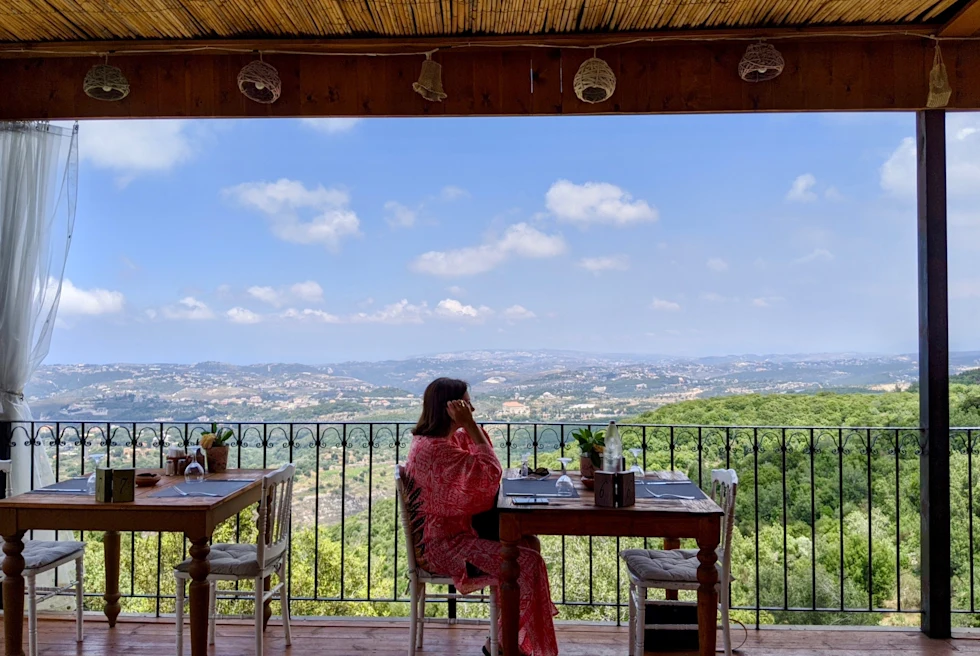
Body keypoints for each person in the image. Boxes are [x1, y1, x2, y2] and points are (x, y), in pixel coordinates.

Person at [405, 378, 558, 656]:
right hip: (444, 547)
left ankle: (501, 638)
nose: (472, 408)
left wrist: (468, 428)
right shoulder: (437, 451)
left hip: (454, 535)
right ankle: (506, 646)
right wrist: (470, 426)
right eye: (466, 403)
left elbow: (482, 459)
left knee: (528, 544)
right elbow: (490, 474)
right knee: (527, 561)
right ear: (449, 409)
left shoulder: (438, 441)